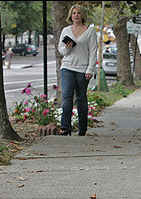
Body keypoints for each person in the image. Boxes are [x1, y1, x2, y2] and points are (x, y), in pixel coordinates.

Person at [58, 4, 97, 136]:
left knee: (81, 98)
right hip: (67, 67)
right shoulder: (66, 30)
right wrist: (67, 48)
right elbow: (61, 50)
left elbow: (93, 51)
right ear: (70, 16)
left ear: (82, 15)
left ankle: (82, 129)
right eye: (74, 13)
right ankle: (65, 128)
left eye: (78, 13)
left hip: (83, 69)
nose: (76, 15)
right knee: (67, 96)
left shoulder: (90, 31)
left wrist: (90, 69)